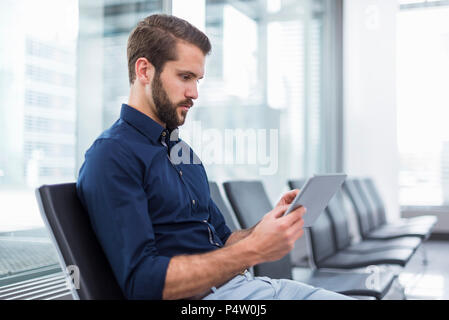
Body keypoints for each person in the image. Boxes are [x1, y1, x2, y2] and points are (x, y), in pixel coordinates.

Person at [76, 14, 352, 300]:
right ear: (144, 71)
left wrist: (265, 227)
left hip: (246, 289)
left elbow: (223, 240)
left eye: (197, 80)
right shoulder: (111, 156)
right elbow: (143, 284)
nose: (194, 93)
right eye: (185, 77)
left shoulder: (182, 153)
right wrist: (254, 249)